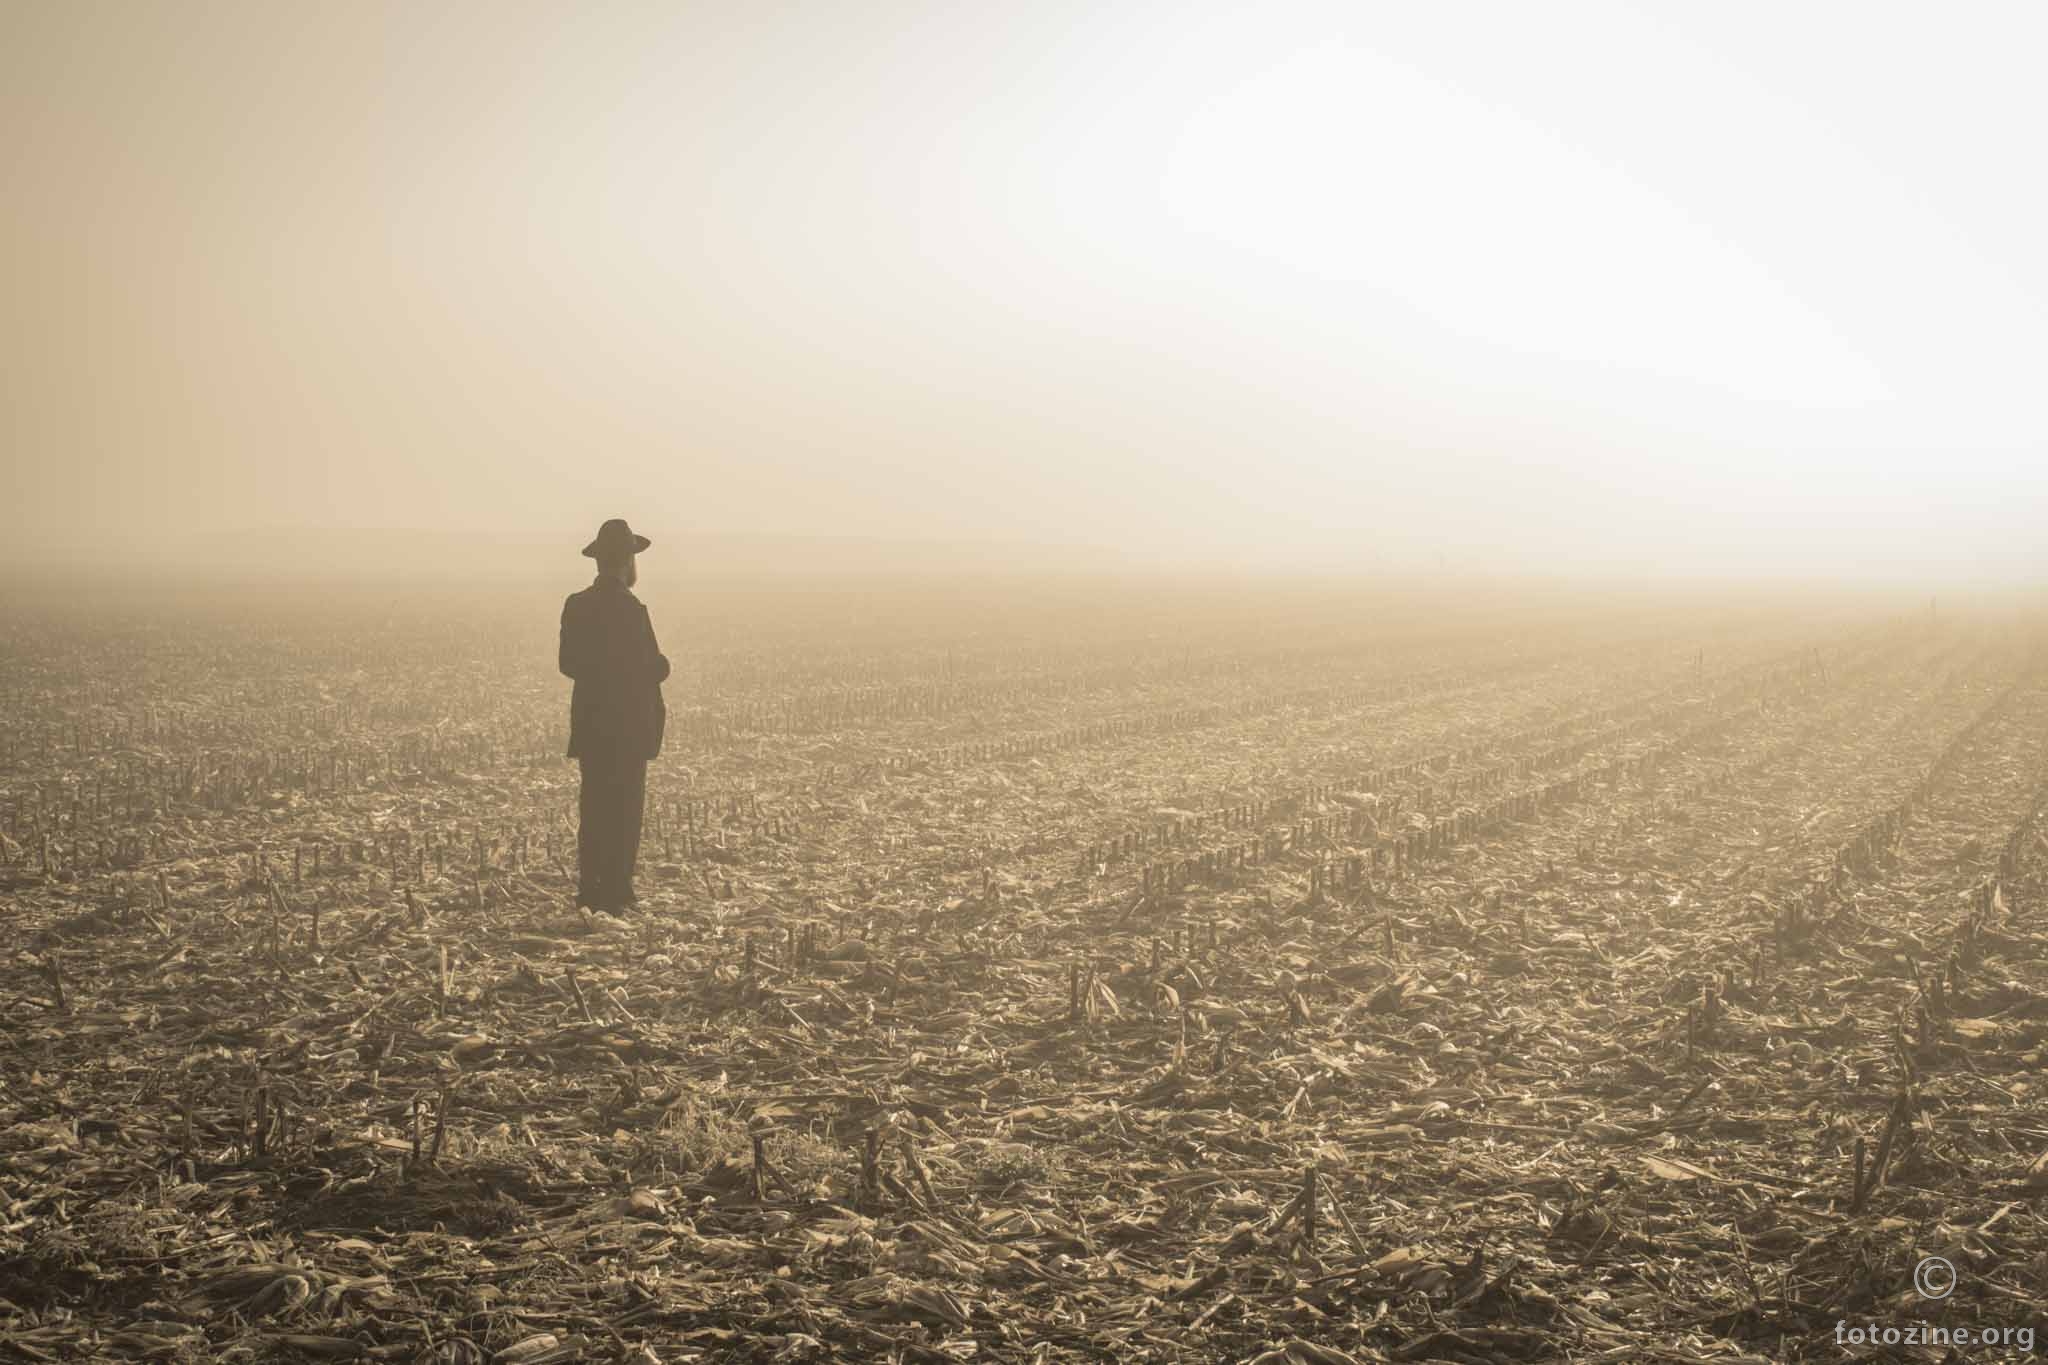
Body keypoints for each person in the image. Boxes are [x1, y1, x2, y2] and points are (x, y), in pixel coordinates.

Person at [559, 519, 670, 914]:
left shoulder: (576, 605)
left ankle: (589, 889)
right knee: (625, 809)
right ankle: (618, 891)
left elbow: (568, 664)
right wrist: (659, 666)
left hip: (591, 723)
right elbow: (651, 666)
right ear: (627, 561)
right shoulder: (631, 608)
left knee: (594, 807)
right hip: (627, 725)